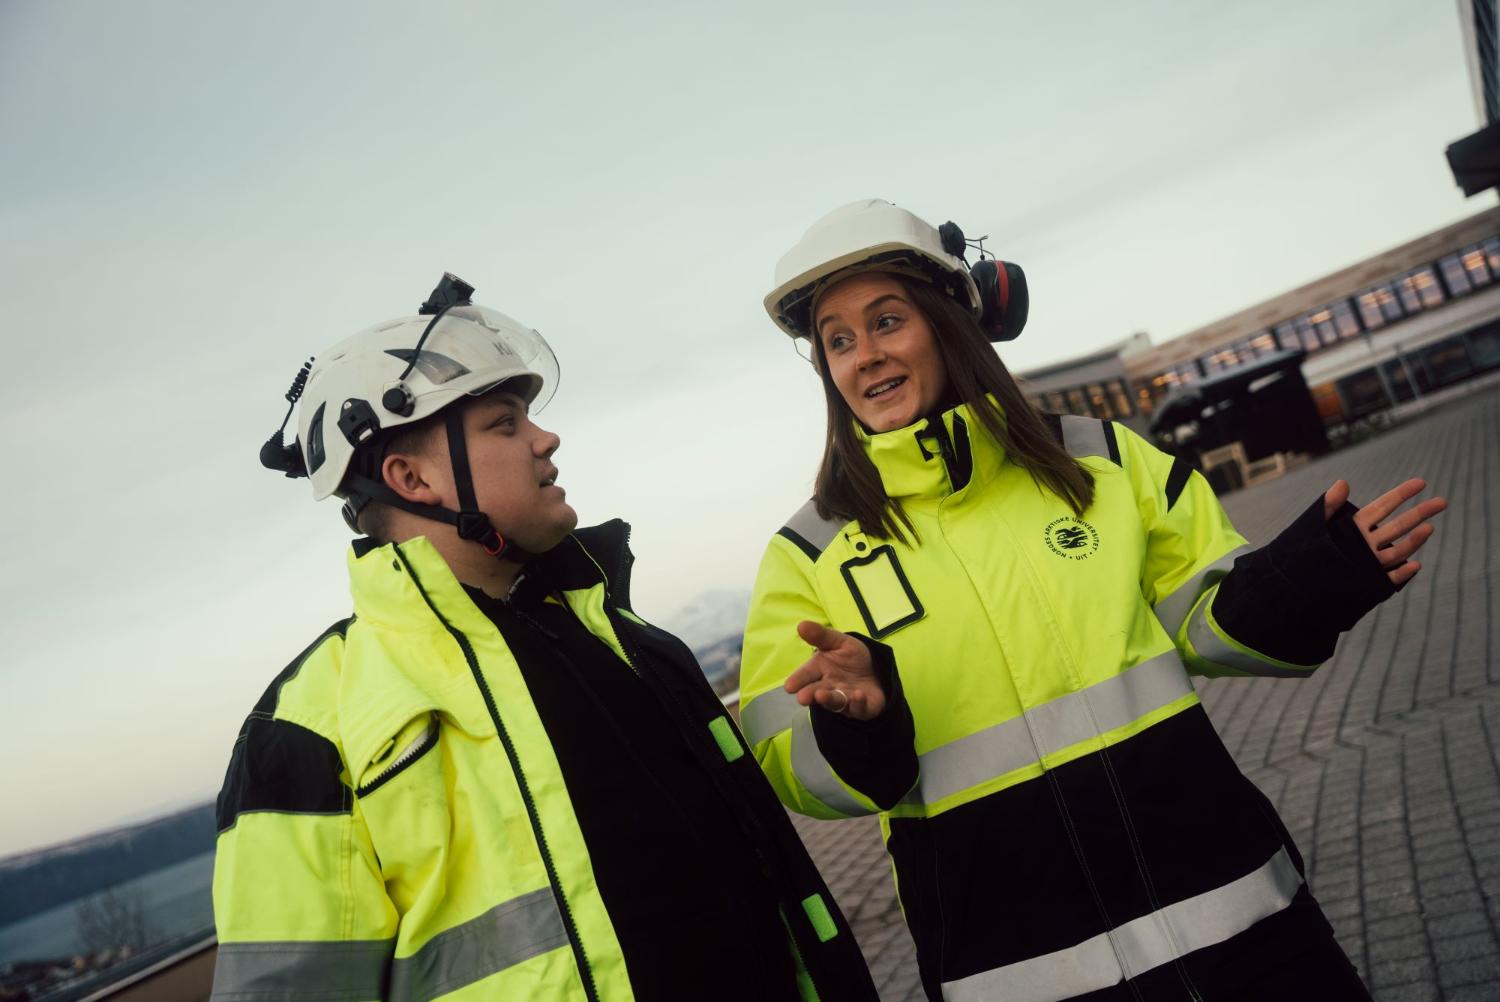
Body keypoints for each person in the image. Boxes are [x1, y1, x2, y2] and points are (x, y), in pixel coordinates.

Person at [738, 201, 1447, 1002]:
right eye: (838, 340)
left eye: (887, 321)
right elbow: (789, 767)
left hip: (1240, 925)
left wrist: (1304, 582)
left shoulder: (1102, 464)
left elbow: (1207, 621)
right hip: (1023, 977)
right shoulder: (806, 556)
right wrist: (853, 725)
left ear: (948, 322)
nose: (865, 356)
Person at [211, 274, 880, 1001]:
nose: (546, 437)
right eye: (505, 424)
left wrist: (858, 727)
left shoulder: (636, 645)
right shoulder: (306, 728)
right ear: (411, 477)